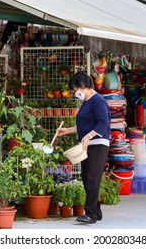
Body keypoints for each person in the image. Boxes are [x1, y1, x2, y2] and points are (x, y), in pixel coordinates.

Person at [57, 71, 111, 224]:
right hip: (87, 145)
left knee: (92, 178)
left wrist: (88, 136)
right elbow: (84, 125)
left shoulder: (97, 100)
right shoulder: (87, 102)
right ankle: (96, 211)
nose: (76, 93)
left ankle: (91, 214)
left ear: (83, 86)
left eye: (75, 90)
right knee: (87, 178)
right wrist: (67, 130)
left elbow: (103, 123)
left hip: (98, 144)